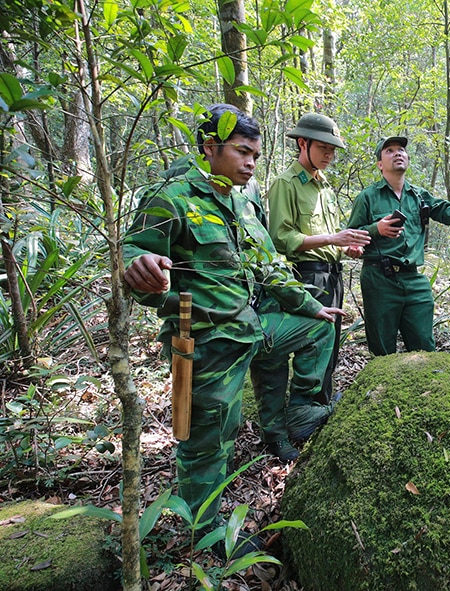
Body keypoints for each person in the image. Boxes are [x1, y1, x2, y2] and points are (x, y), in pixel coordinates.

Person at [122, 104, 343, 551]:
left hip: (252, 325)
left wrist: (307, 304)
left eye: (256, 156)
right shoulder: (172, 195)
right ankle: (208, 534)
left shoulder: (244, 200)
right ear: (209, 147)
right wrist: (139, 266)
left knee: (319, 329)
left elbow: (268, 264)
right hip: (206, 342)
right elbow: (133, 254)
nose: (250, 163)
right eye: (242, 152)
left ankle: (299, 412)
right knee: (208, 438)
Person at [346, 136, 450, 356]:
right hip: (378, 279)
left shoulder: (419, 196)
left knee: (424, 349)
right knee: (382, 352)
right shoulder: (368, 197)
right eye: (389, 151)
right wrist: (376, 229)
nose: (398, 153)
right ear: (380, 164)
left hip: (414, 280)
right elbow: (351, 237)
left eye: (401, 149)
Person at [267, 113, 370, 405]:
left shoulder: (323, 186)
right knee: (313, 345)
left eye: (333, 149)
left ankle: (322, 402)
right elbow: (280, 237)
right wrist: (331, 239)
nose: (329, 154)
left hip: (331, 274)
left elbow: (328, 236)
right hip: (306, 276)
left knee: (331, 343)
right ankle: (306, 408)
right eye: (323, 147)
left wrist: (345, 248)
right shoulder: (286, 184)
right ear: (303, 143)